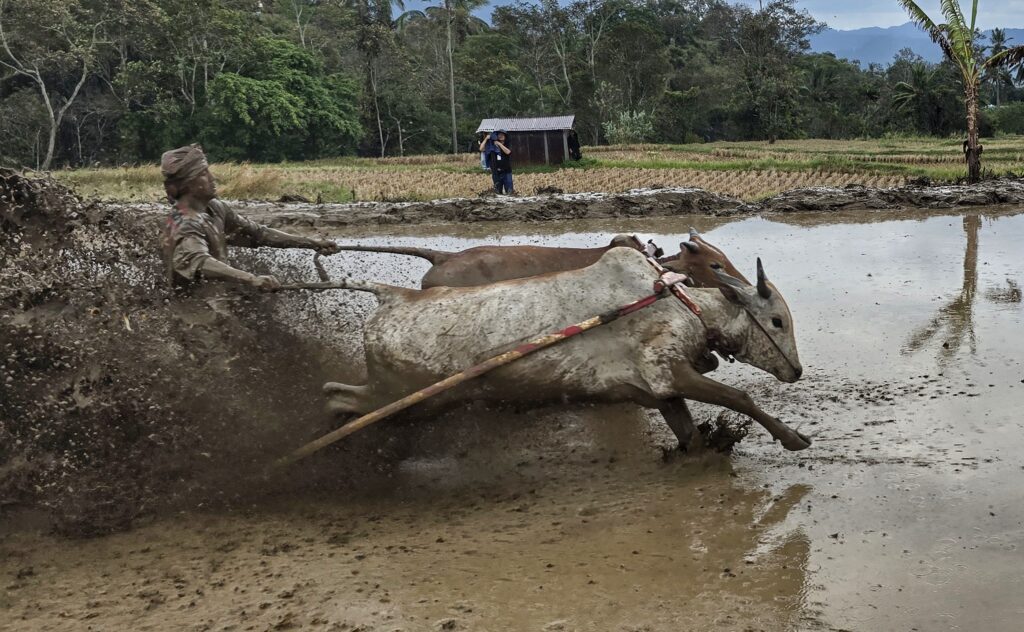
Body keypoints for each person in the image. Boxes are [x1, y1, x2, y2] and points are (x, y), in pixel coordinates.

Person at [159, 143, 339, 290]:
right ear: (189, 184)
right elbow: (199, 262)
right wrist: (252, 279)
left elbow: (259, 234)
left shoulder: (216, 208)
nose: (213, 178)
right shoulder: (183, 222)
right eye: (204, 174)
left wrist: (311, 243)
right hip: (192, 315)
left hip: (218, 304)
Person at [478, 130, 514, 195]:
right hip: (496, 172)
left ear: (505, 136)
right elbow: (481, 149)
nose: (501, 136)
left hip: (506, 171)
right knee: (497, 191)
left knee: (509, 190)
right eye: (499, 135)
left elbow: (508, 152)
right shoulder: (492, 146)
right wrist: (486, 139)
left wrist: (499, 144)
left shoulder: (507, 144)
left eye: (502, 135)